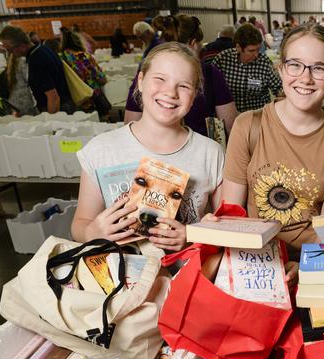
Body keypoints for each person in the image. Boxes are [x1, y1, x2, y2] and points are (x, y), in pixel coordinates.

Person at [214, 23, 324, 277]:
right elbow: (232, 215)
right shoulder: (248, 125)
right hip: (254, 263)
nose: (305, 78)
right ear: (280, 69)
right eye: (295, 65)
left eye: (319, 68)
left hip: (313, 264)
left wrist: (304, 267)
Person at [71, 42, 225, 252]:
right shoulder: (101, 150)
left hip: (187, 278)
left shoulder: (211, 153)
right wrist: (91, 233)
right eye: (160, 79)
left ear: (195, 96)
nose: (171, 92)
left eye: (184, 86)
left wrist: (193, 236)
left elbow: (227, 226)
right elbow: (80, 224)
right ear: (141, 82)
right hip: (122, 277)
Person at [125, 15, 238, 136]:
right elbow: (229, 125)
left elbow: (131, 122)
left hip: (153, 150)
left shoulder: (149, 72)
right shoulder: (210, 73)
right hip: (199, 149)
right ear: (193, 43)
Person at [0, 25, 74, 114]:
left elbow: (53, 98)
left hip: (57, 109)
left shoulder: (36, 60)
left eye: (10, 50)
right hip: (65, 105)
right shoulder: (44, 49)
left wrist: (50, 124)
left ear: (22, 46)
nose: (10, 53)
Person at [212, 23, 281, 113]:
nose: (256, 55)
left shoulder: (264, 62)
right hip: (231, 118)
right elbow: (211, 89)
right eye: (251, 50)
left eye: (258, 49)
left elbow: (278, 88)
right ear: (238, 47)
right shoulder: (223, 60)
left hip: (258, 116)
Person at [60, 30, 109, 117]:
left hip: (73, 100)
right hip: (91, 98)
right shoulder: (83, 56)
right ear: (78, 41)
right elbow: (102, 79)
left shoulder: (62, 58)